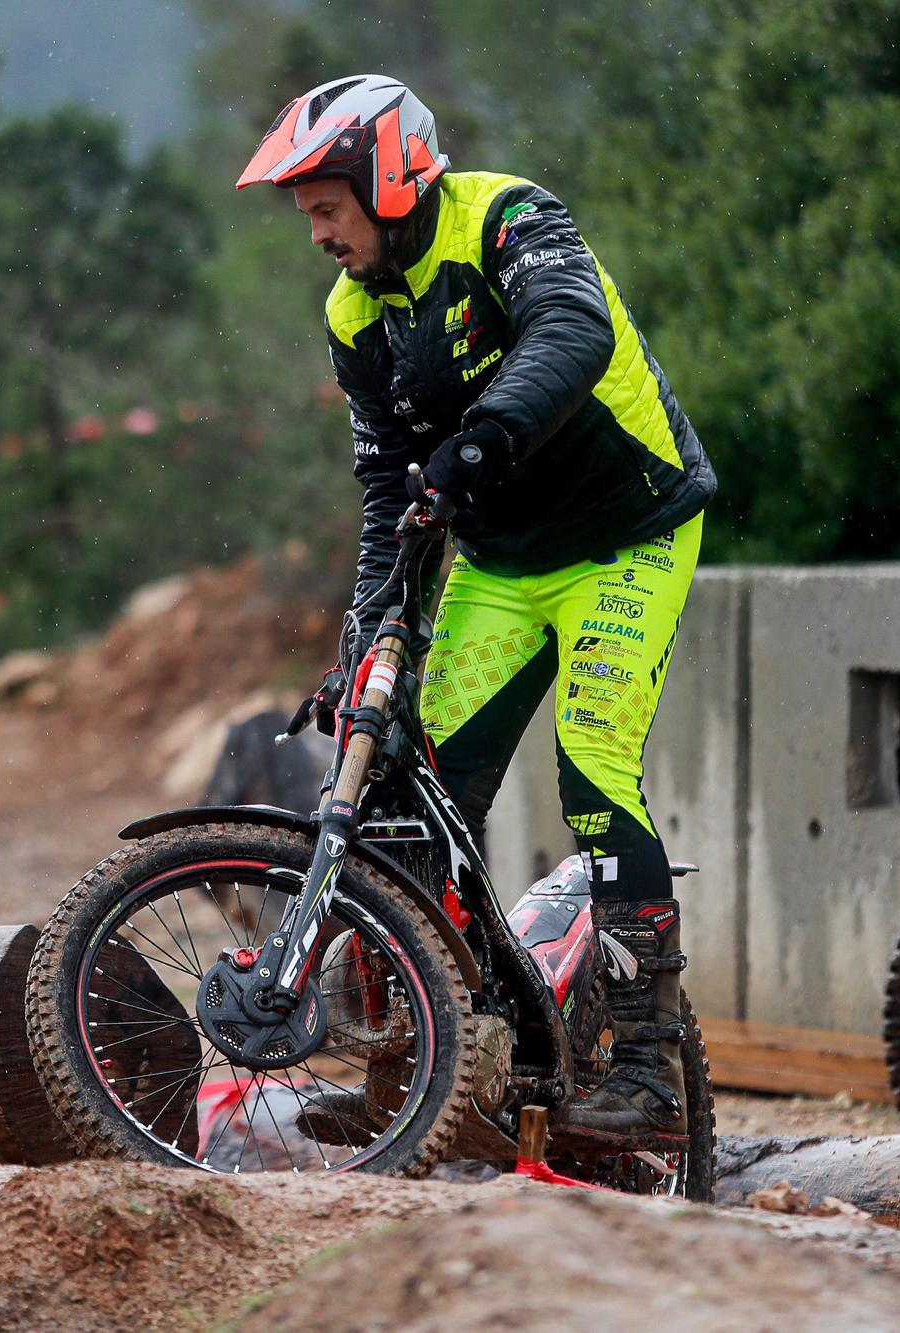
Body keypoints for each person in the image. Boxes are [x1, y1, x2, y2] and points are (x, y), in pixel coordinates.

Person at [237, 74, 718, 1141]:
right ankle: (426, 1058)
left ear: (389, 178)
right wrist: (365, 635)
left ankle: (646, 1072)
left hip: (626, 534)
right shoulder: (353, 312)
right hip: (500, 565)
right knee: (409, 796)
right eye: (305, 214)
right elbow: (384, 494)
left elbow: (570, 336)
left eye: (325, 206)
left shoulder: (508, 218)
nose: (314, 233)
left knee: (591, 767)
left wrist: (475, 442)